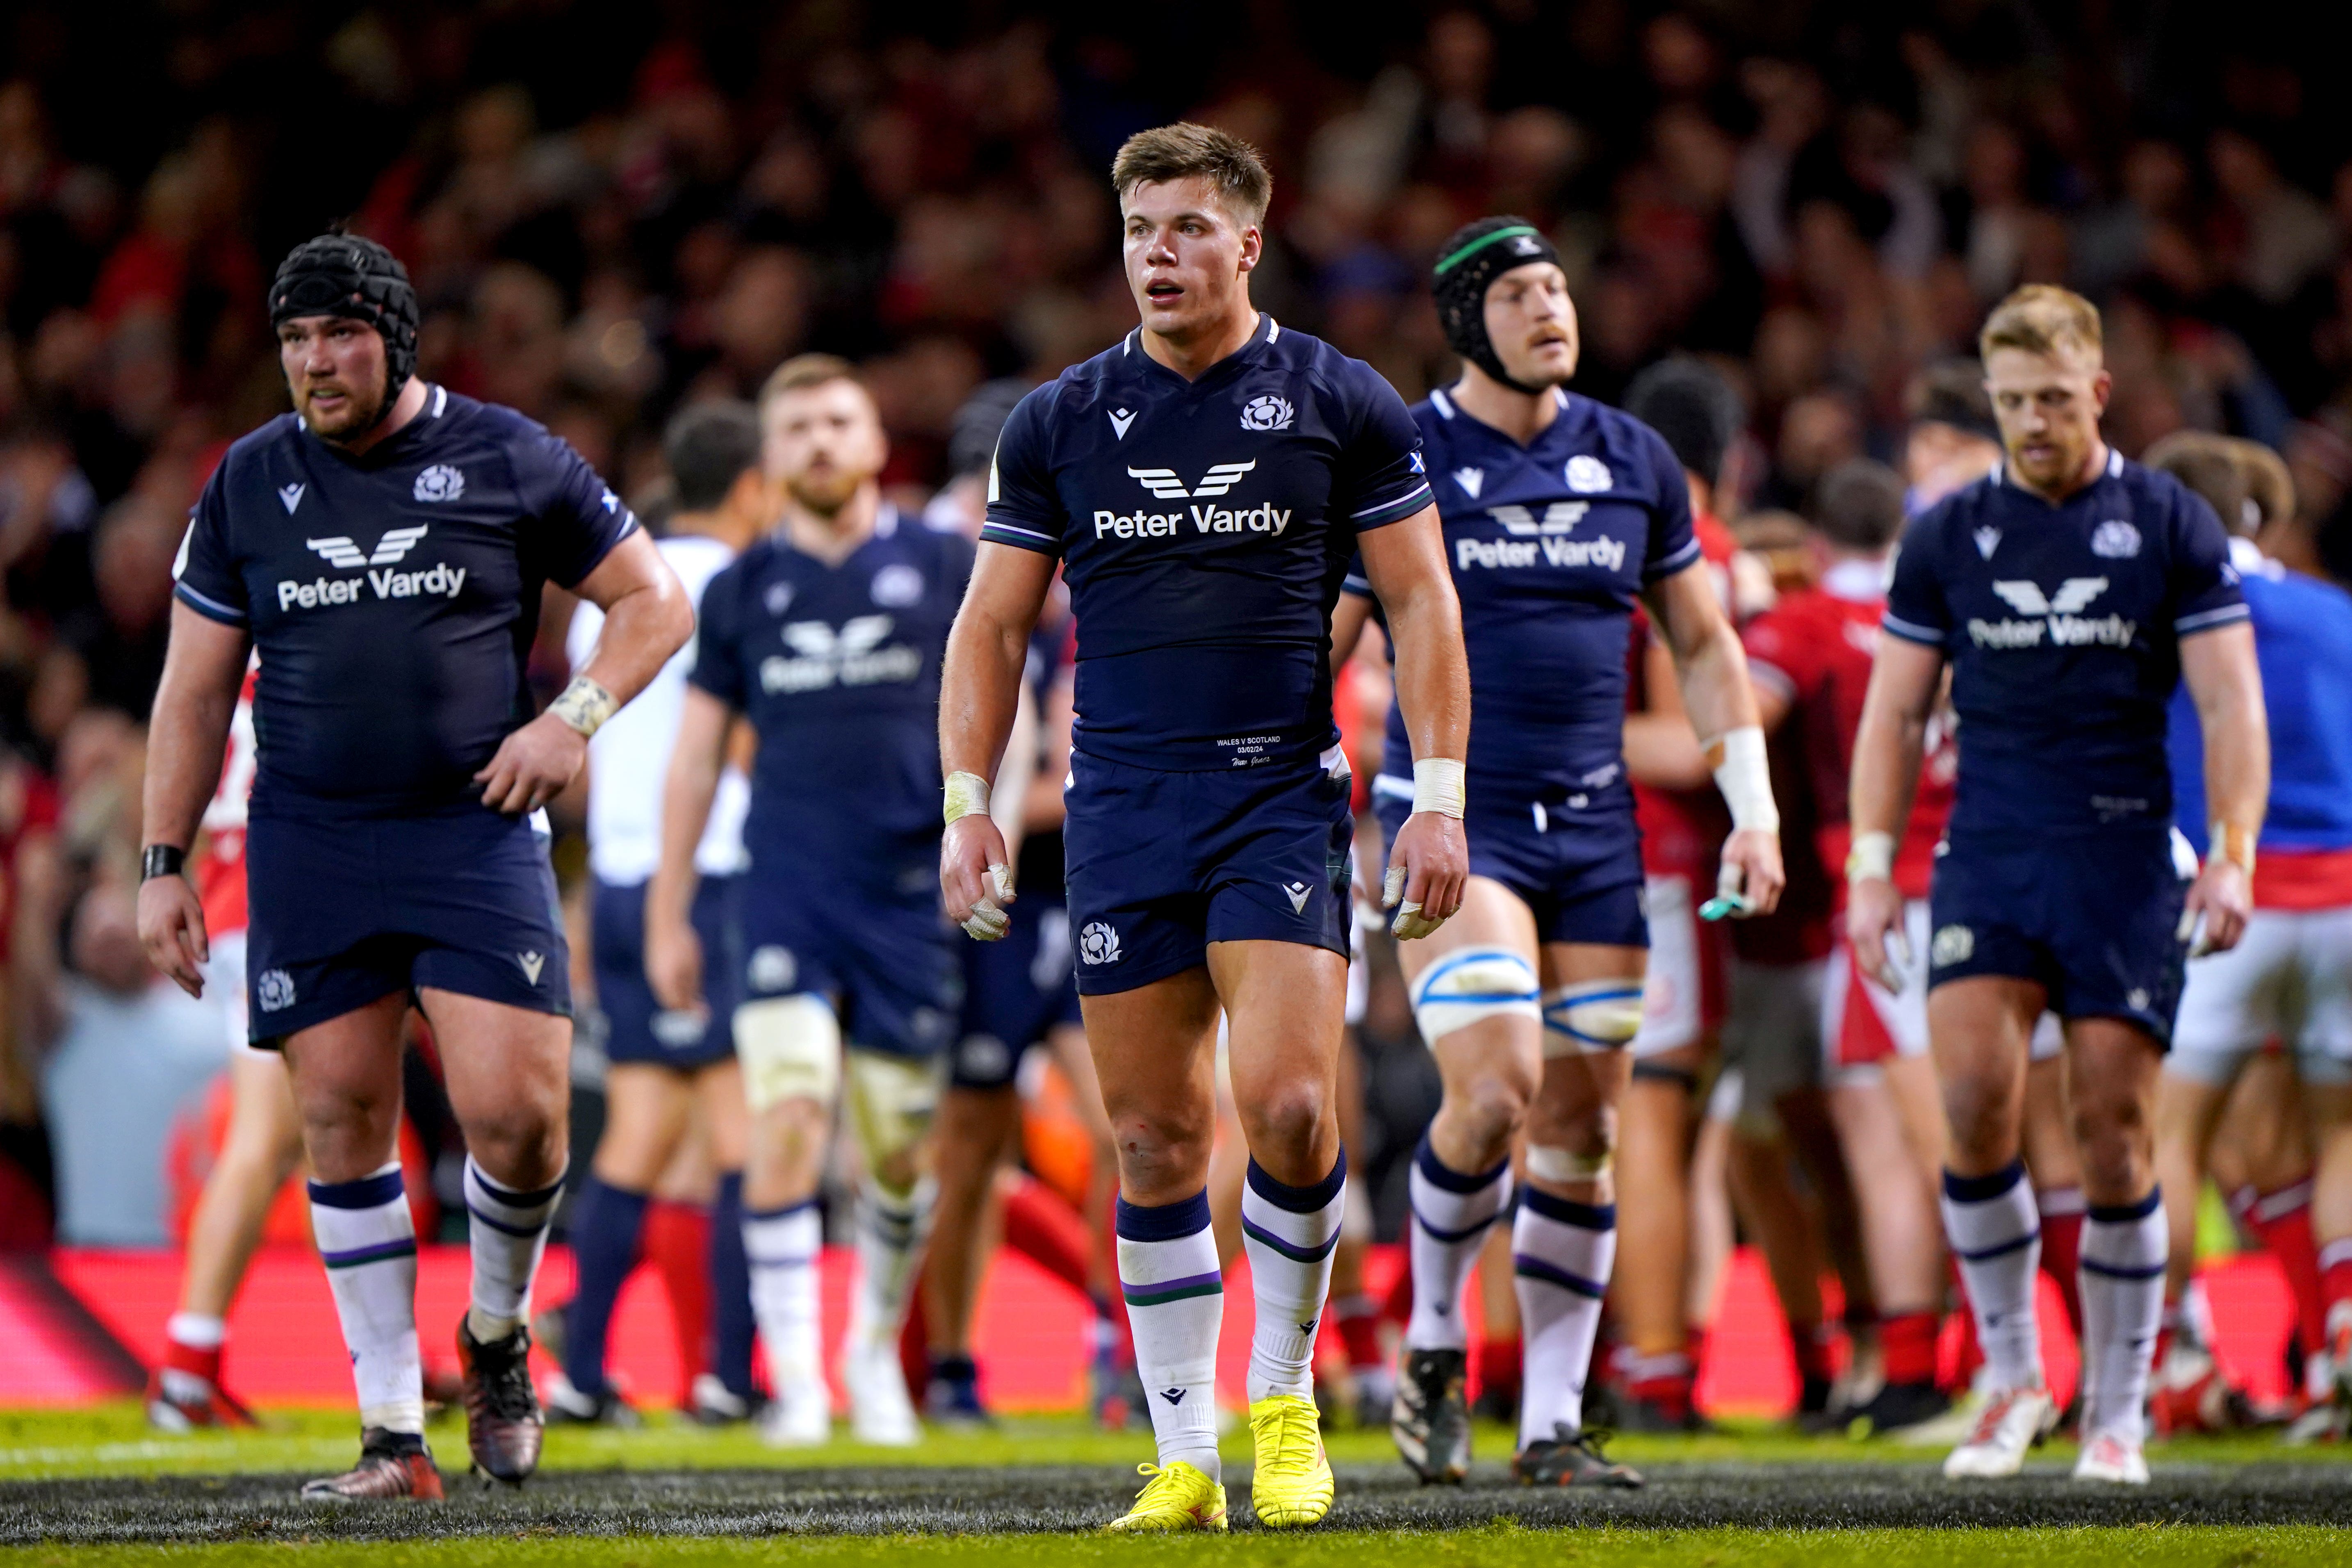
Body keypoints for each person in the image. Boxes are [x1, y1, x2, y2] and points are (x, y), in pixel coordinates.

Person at [939, 123, 1469, 1532]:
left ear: (1247, 241)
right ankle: (1182, 1455)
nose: (1157, 254)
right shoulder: (1055, 421)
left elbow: (1419, 603)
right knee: (1154, 1140)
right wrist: (967, 807)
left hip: (1274, 795)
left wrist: (1435, 799)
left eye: (1186, 228)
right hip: (1119, 804)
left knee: (1290, 1106)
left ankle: (1283, 1397)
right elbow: (990, 625)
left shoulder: (1338, 398)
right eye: (1138, 230)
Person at [139, 232, 692, 1500]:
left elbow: (656, 601)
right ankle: (393, 1436)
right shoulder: (244, 483)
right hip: (309, 839)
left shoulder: (508, 454)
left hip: (471, 828)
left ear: (396, 336)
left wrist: (573, 721)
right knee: (336, 1117)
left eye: (338, 334)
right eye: (293, 340)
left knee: (520, 1116)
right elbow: (192, 686)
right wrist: (162, 858)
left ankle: (496, 1332)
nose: (314, 363)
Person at [1326, 221, 1783, 1488]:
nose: (1552, 312)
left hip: (1595, 832)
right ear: (1467, 320)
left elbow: (1703, 645)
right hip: (1448, 823)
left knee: (1583, 1130)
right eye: (1522, 295)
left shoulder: (1635, 455)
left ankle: (1552, 1423)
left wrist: (1754, 806)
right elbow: (1336, 633)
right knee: (1498, 1091)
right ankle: (1431, 1342)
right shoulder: (1405, 452)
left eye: (1560, 290)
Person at [1847, 284, 2268, 1485]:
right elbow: (1893, 712)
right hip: (1988, 848)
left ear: (2098, 390)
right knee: (1974, 1098)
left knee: (2114, 1132)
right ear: (1994, 400)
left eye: (2052, 397)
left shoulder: (2169, 519)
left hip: (2123, 855)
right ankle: (2014, 1379)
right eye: (2013, 400)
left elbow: (2233, 703)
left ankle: (2119, 1410)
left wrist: (2230, 851)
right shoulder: (1947, 533)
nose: (2034, 420)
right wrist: (1872, 868)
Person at [648, 354, 973, 1447]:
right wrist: (667, 908)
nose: (821, 442)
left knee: (898, 1148)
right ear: (770, 456)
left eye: (840, 421)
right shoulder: (739, 591)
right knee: (789, 1113)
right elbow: (693, 763)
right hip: (784, 885)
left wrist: (982, 834)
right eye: (798, 428)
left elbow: (1000, 701)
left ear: (879, 441)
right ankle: (795, 1382)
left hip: (906, 892)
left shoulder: (944, 564)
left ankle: (872, 1353)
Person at [541, 401, 770, 1426]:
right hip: (714, 880)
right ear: (755, 486)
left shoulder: (607, 600)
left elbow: (589, 766)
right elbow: (752, 745)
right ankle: (729, 1376)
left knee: (637, 1130)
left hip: (629, 882)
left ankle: (584, 1373)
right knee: (741, 1133)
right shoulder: (747, 588)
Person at [2141, 432, 2352, 1438]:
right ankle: (2344, 1339)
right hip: (2347, 898)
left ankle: (2162, 1360)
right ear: (2258, 518)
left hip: (2226, 897)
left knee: (2171, 1135)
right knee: (2335, 1133)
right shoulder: (2335, 612)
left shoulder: (2160, 615)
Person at [1741, 458, 1953, 1435]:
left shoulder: (1811, 622)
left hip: (1880, 904)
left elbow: (1743, 709)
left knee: (1902, 1144)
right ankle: (1906, 1367)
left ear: (1819, 546)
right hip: (1975, 880)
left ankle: (1947, 1366)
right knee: (1949, 1137)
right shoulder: (1945, 608)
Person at [146, 662, 292, 1430]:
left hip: (242, 896)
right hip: (284, 906)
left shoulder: (224, 663)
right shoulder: (306, 640)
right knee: (269, 1141)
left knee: (290, 1141)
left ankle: (192, 1368)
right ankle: (187, 1371)